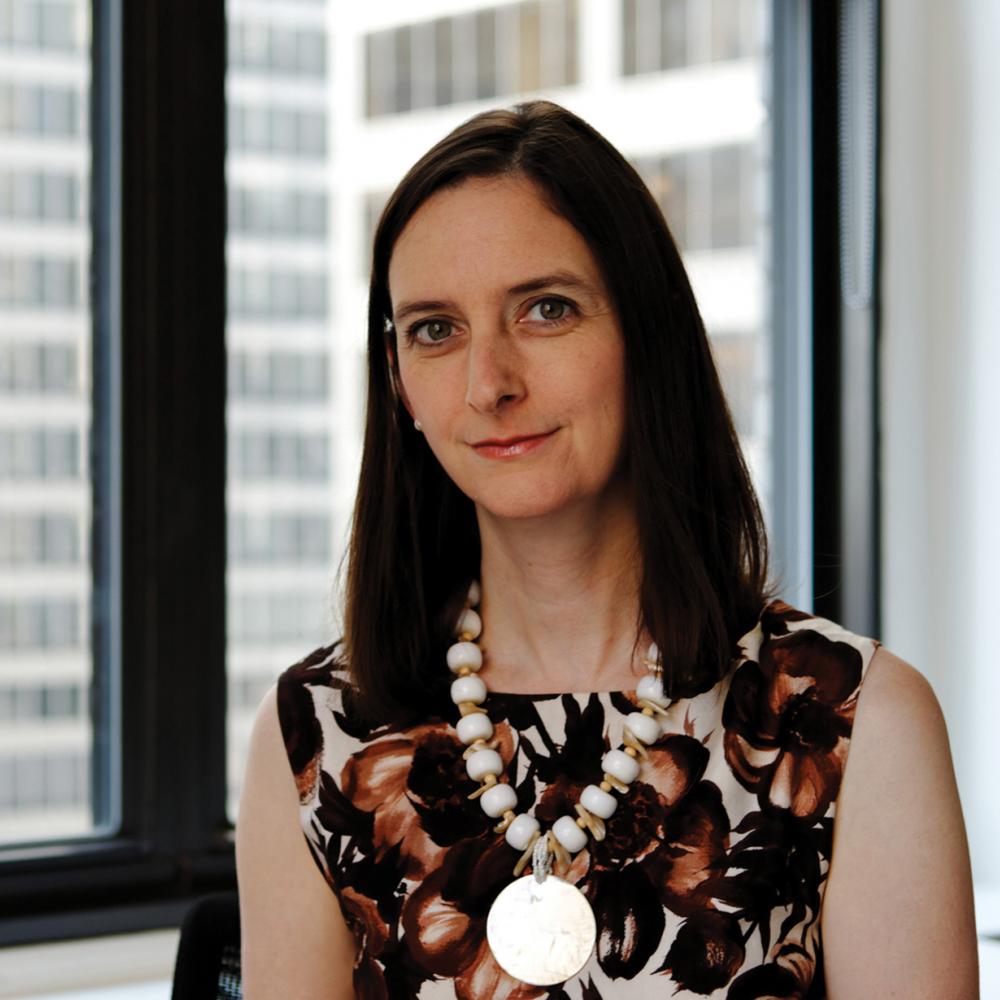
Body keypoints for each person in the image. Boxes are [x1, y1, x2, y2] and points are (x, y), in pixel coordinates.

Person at [235, 100, 979, 999]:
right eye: (435, 329)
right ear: (398, 381)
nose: (489, 383)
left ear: (644, 332)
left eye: (546, 310)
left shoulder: (855, 720)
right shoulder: (314, 732)